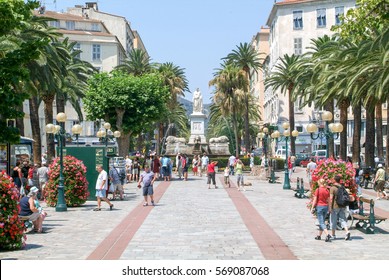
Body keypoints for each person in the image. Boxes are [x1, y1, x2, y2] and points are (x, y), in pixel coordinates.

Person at [329, 175, 351, 241]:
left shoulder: (332, 188)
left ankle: (333, 235)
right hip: (342, 205)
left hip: (335, 206)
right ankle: (347, 231)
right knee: (343, 219)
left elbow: (331, 198)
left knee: (333, 220)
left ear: (335, 180)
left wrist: (330, 207)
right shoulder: (342, 187)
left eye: (332, 179)